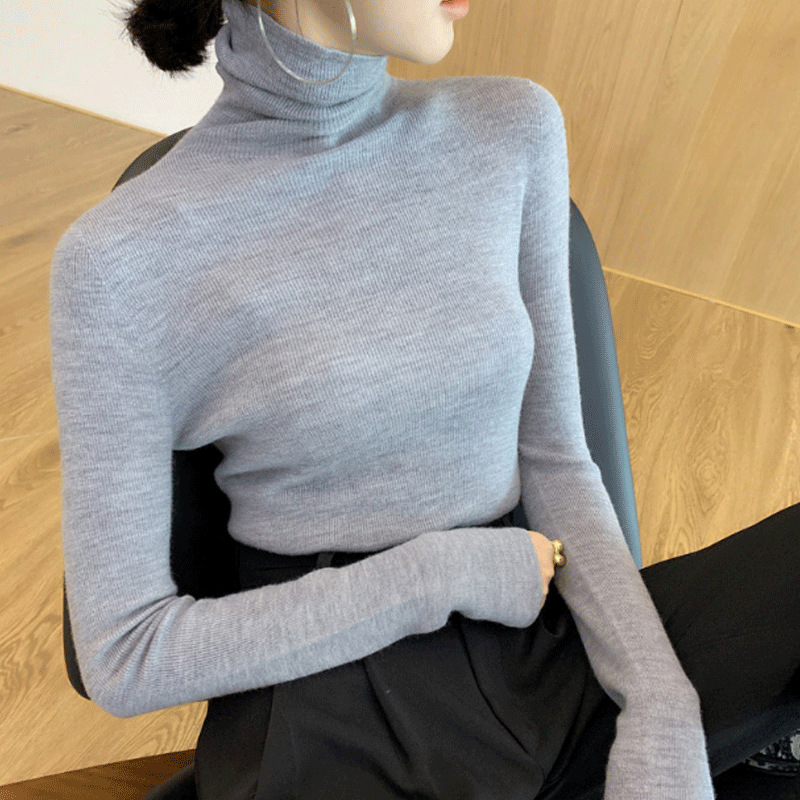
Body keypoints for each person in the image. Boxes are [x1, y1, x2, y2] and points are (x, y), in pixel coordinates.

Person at [48, 0, 800, 797]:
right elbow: (124, 656)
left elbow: (556, 457)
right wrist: (439, 575)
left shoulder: (511, 127)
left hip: (541, 627)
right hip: (331, 690)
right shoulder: (121, 260)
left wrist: (660, 704)